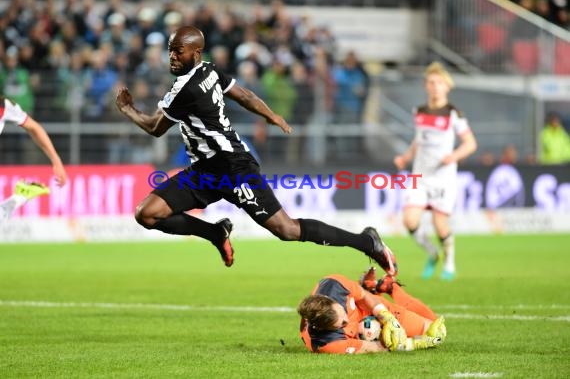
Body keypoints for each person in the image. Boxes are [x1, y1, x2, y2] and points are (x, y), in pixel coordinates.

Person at [114, 26, 397, 273]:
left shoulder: (186, 89)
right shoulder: (209, 70)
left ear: (196, 53)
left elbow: (155, 127)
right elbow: (244, 95)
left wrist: (127, 109)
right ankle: (215, 232)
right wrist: (270, 115)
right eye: (170, 51)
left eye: (179, 51)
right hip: (203, 171)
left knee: (287, 230)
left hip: (233, 168)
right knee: (147, 213)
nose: (172, 57)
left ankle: (366, 242)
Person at [393, 62, 477, 281]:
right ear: (425, 86)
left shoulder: (453, 114)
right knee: (410, 221)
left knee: (440, 226)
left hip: (443, 179)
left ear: (447, 87)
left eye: (439, 83)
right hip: (420, 177)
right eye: (431, 82)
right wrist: (405, 157)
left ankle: (449, 263)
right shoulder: (419, 112)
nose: (435, 86)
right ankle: (432, 254)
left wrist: (454, 156)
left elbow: (470, 143)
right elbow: (418, 140)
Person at [297, 267, 446, 354]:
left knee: (436, 328)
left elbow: (363, 297)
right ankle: (373, 285)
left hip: (366, 309)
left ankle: (390, 287)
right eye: (341, 324)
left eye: (343, 313)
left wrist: (386, 317)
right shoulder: (329, 344)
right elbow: (377, 348)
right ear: (325, 328)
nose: (346, 320)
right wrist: (414, 344)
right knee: (434, 334)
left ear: (332, 301)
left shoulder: (336, 284)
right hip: (360, 335)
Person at [0, 96, 67, 224]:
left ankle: (22, 195)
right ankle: (22, 195)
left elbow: (34, 128)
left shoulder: (4, 105)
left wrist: (56, 160)